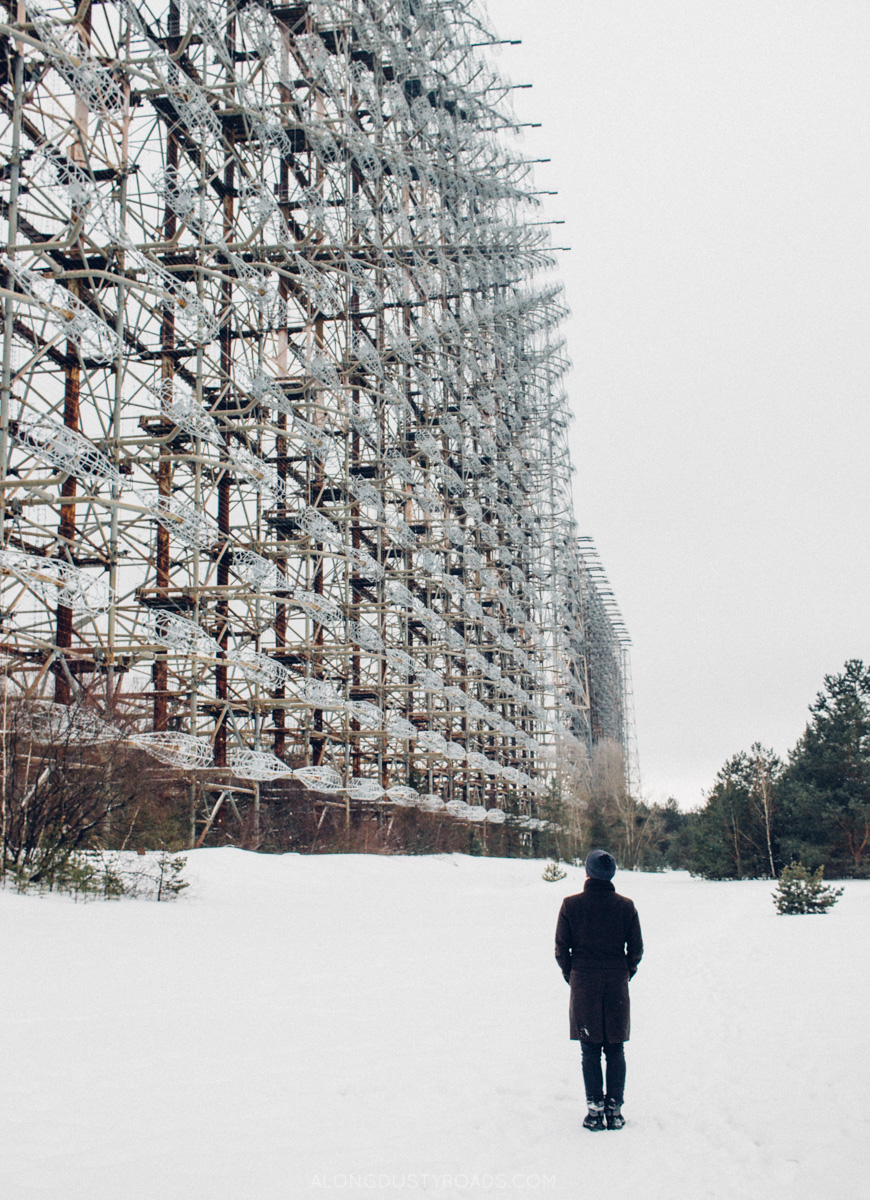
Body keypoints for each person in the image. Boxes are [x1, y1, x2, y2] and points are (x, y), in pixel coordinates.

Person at [554, 849, 643, 1132]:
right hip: (616, 982)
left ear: (588, 873)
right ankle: (614, 1111)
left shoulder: (571, 905)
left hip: (584, 984)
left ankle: (595, 1111)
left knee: (590, 1049)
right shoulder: (626, 907)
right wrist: (625, 972)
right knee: (615, 1048)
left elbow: (560, 949)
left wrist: (573, 975)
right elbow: (636, 950)